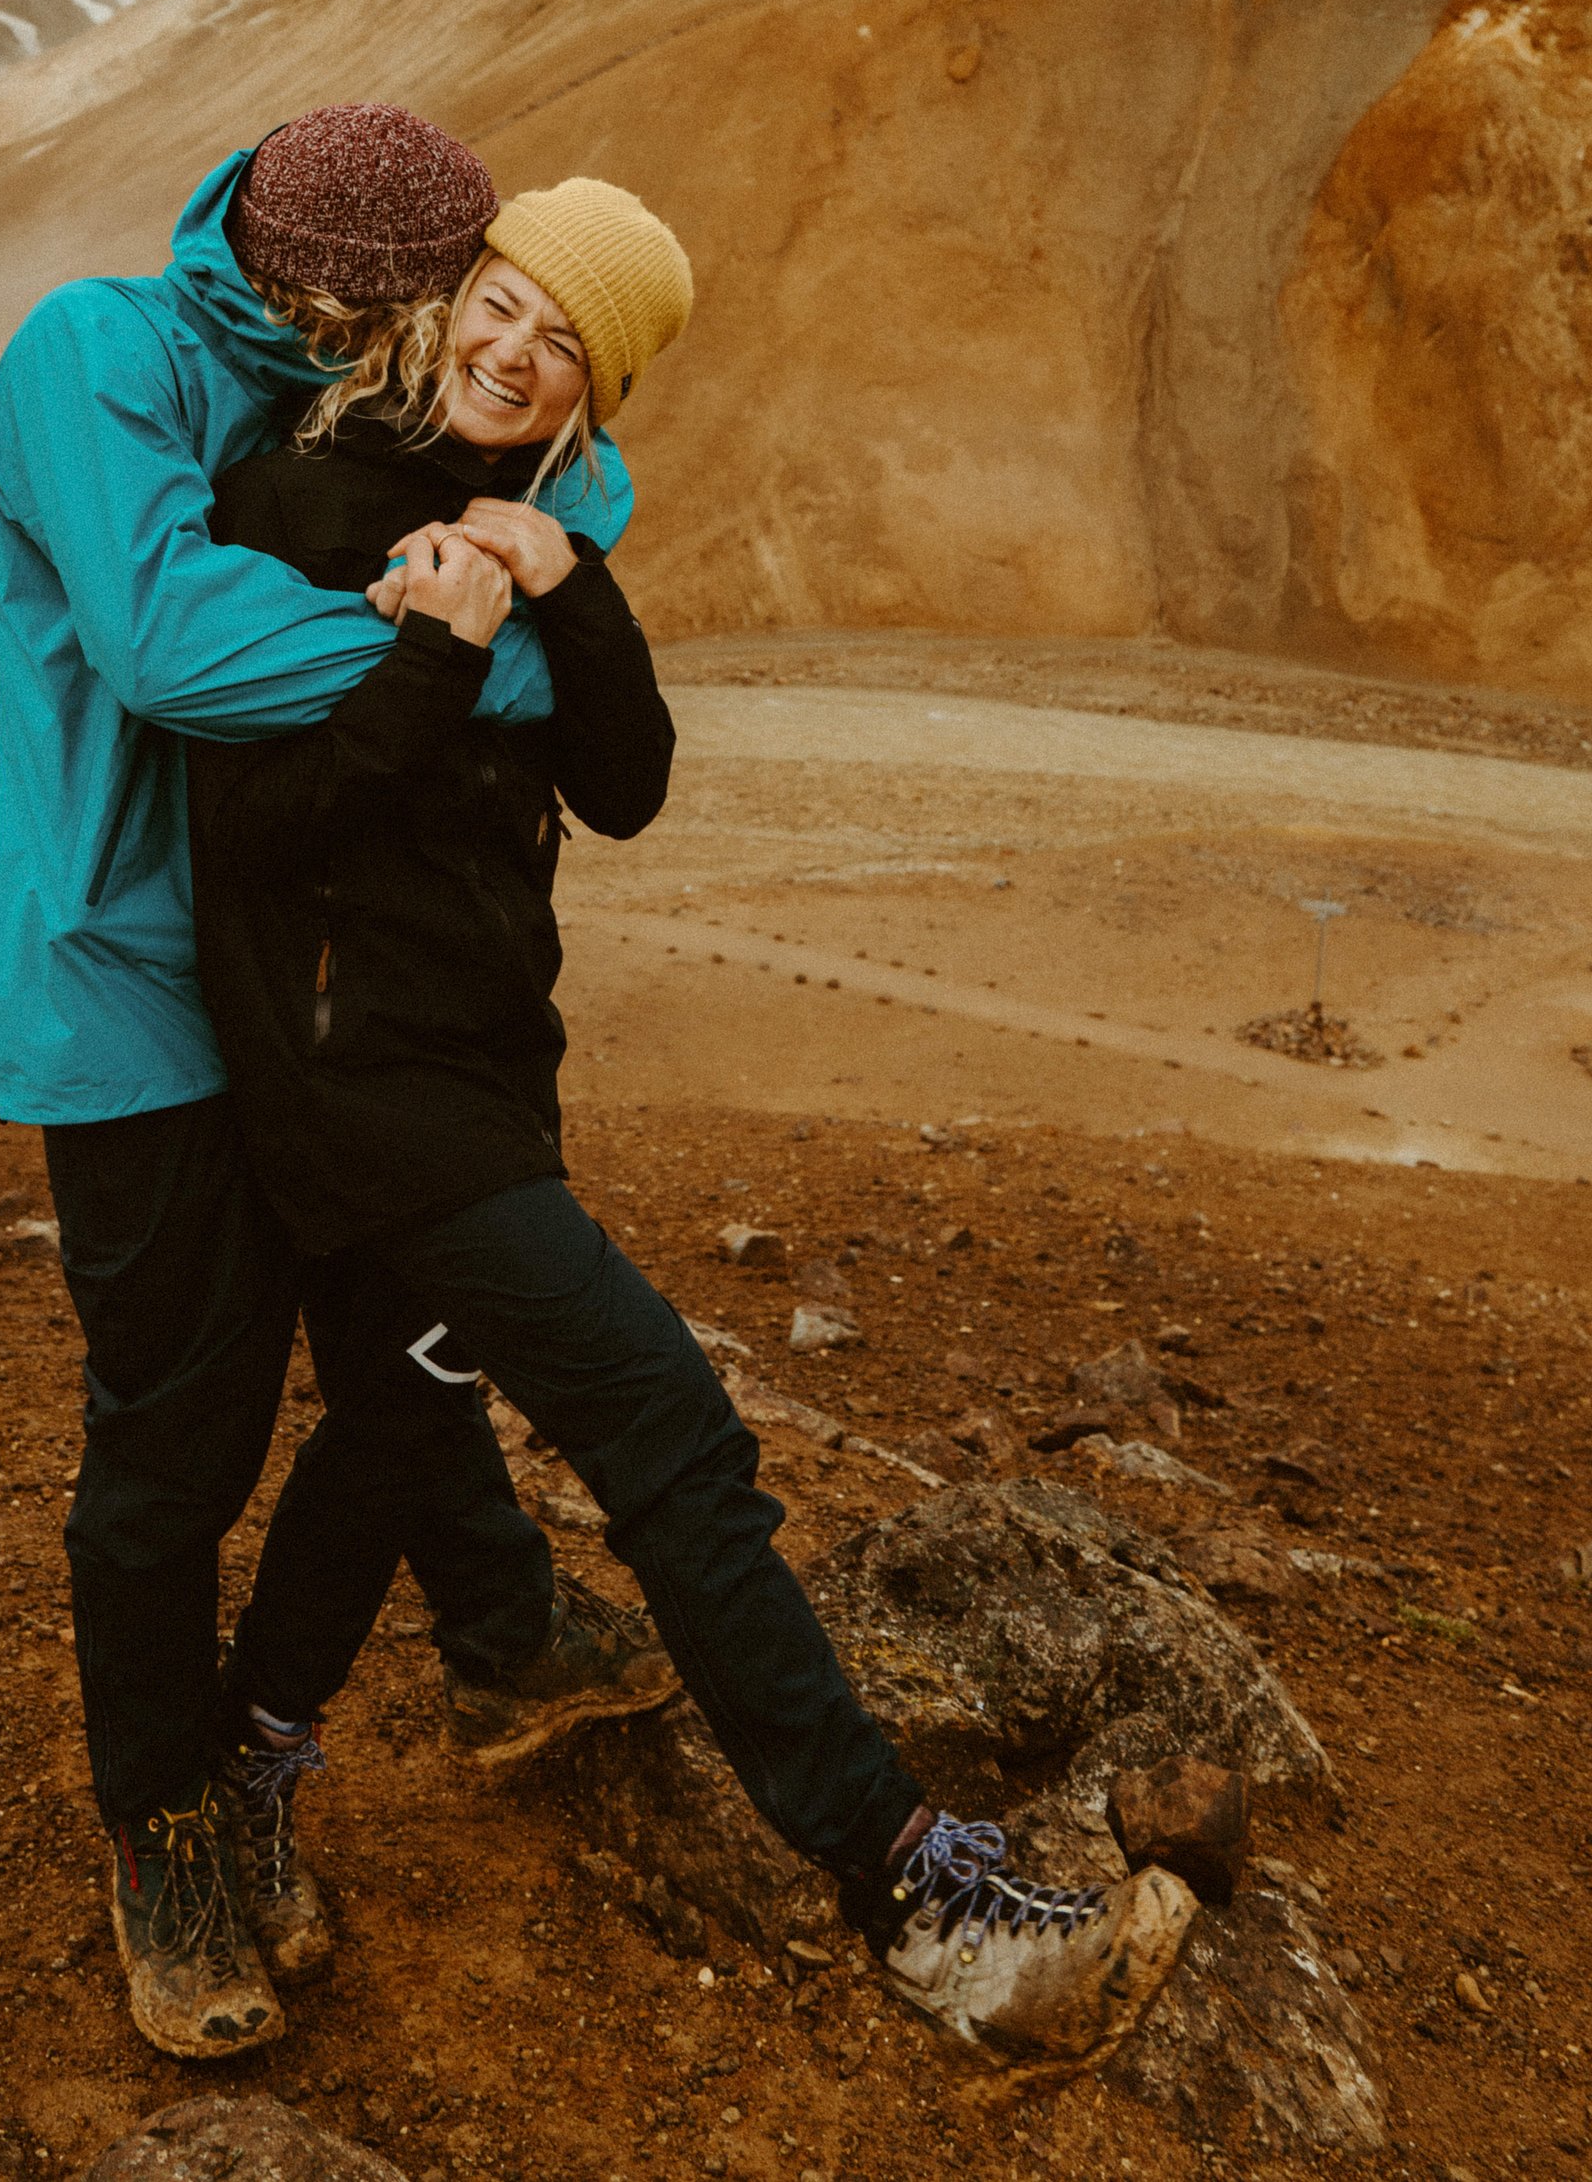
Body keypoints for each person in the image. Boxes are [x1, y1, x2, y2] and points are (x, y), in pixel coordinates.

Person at [184, 177, 1198, 2079]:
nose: (508, 347)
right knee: (666, 1429)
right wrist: (428, 647)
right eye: (499, 302)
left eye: (561, 338)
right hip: (356, 1086)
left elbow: (628, 782)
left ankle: (242, 1763)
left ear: (601, 389)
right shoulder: (306, 500)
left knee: (402, 1422)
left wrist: (566, 580)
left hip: (477, 1077)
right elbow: (251, 836)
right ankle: (917, 1894)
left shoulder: (539, 523)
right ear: (452, 297)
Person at [0, 108, 679, 2065]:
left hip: (324, 1008)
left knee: (406, 1364)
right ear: (304, 281)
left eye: (442, 311)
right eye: (386, 308)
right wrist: (508, 656)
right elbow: (172, 645)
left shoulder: (358, 400)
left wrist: (542, 572)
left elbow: (565, 482)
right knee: (175, 1456)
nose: (419, 345)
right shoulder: (94, 357)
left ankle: (489, 1641)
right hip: (136, 1001)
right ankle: (169, 1829)